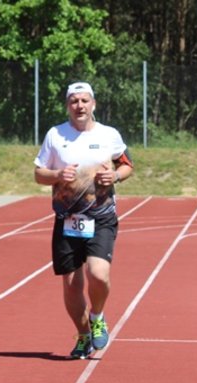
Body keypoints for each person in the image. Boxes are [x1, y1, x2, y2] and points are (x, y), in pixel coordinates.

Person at [34, 82, 134, 359]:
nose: (79, 106)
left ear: (93, 104)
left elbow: (127, 165)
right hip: (68, 219)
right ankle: (83, 336)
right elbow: (38, 174)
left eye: (84, 101)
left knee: (98, 274)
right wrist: (56, 176)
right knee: (71, 284)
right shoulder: (55, 135)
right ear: (67, 105)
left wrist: (114, 176)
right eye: (74, 101)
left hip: (101, 216)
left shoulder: (109, 135)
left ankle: (98, 315)